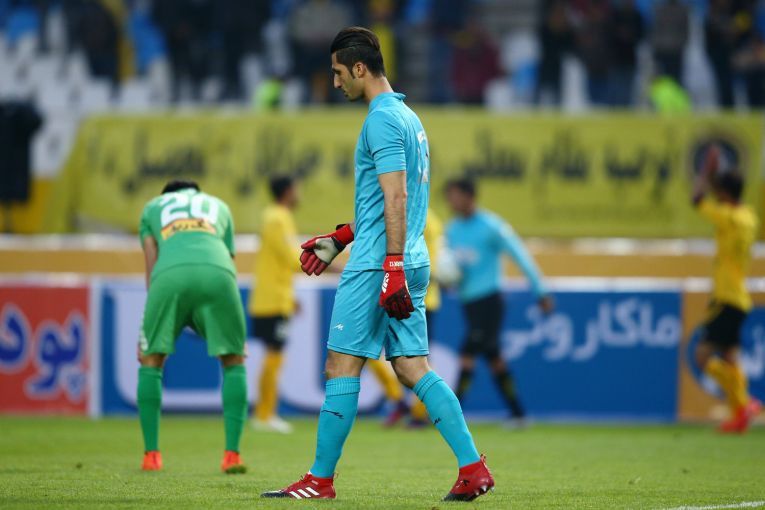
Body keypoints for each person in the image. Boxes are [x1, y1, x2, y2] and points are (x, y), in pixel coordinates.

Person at [262, 27, 493, 502]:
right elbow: (389, 200)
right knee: (411, 367)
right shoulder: (409, 118)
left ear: (359, 68)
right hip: (409, 256)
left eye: (338, 73)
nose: (335, 82)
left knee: (340, 365)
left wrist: (389, 266)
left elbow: (397, 196)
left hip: (378, 265)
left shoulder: (382, 120)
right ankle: (472, 468)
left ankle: (319, 480)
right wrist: (341, 237)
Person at [137, 180, 248, 473]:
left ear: (166, 196)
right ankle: (232, 455)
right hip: (218, 275)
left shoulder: (152, 208)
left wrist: (149, 327)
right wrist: (234, 331)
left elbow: (151, 262)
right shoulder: (220, 206)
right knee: (234, 360)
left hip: (169, 277)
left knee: (151, 360)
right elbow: (229, 261)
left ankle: (151, 455)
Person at [444, 178, 553, 425]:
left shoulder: (491, 226)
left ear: (470, 196)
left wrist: (541, 292)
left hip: (490, 301)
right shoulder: (452, 230)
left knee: (467, 352)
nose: (452, 201)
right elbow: (451, 268)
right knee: (494, 357)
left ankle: (452, 415)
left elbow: (520, 256)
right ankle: (518, 413)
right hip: (468, 302)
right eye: (449, 197)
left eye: (456, 196)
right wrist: (447, 280)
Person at [691, 145, 761, 433]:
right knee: (731, 358)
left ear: (723, 194)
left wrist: (705, 172)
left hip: (726, 296)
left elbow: (697, 199)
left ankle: (744, 403)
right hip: (740, 297)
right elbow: (720, 197)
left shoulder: (727, 217)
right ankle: (739, 415)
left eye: (718, 192)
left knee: (702, 355)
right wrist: (716, 178)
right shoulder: (749, 217)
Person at [249, 176, 301, 434]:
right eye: (297, 189)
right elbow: (292, 258)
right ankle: (264, 414)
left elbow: (279, 262)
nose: (299, 193)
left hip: (272, 296)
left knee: (273, 355)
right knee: (275, 356)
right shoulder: (278, 218)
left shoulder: (272, 216)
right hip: (274, 300)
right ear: (288, 191)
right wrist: (329, 264)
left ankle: (265, 413)